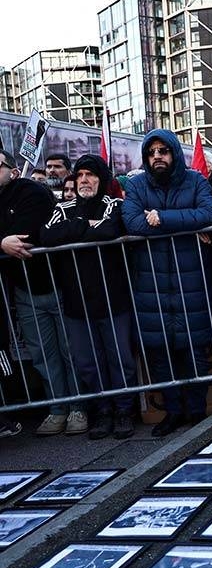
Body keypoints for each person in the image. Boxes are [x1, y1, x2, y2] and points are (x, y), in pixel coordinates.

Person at [122, 129, 212, 437]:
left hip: (191, 280)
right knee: (160, 352)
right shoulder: (137, 185)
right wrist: (184, 223)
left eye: (163, 151)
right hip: (151, 284)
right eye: (152, 153)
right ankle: (173, 412)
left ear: (174, 153)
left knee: (194, 349)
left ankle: (197, 410)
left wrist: (163, 218)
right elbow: (134, 222)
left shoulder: (196, 181)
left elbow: (208, 212)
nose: (157, 157)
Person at [38, 154, 137, 440]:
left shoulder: (114, 205)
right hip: (75, 301)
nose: (84, 180)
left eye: (91, 175)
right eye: (80, 175)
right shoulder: (63, 207)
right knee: (86, 361)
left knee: (120, 359)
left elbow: (111, 229)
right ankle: (102, 411)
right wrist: (85, 225)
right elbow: (47, 236)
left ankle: (123, 410)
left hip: (112, 298)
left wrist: (76, 230)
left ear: (101, 180)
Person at [0, 150, 82, 436]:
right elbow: (9, 238)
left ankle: (79, 407)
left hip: (55, 283)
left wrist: (7, 238)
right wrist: (1, 242)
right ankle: (57, 408)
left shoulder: (31, 191)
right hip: (25, 291)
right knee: (43, 355)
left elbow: (26, 234)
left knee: (69, 349)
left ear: (13, 170)